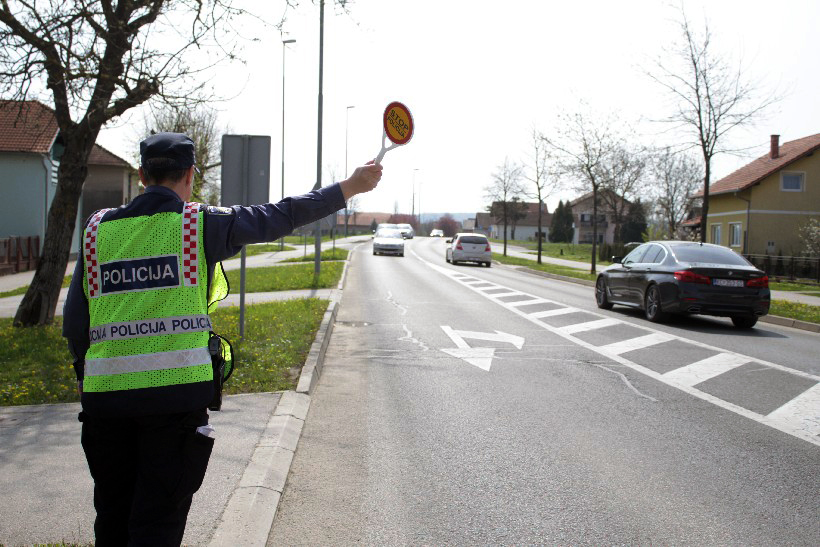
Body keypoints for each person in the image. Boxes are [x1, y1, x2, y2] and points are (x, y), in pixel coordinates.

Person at [62, 132, 382, 546]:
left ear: (141, 175)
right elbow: (277, 215)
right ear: (190, 175)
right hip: (174, 404)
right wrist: (349, 188)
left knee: (112, 520)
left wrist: (87, 375)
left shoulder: (96, 231)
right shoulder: (197, 225)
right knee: (155, 526)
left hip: (105, 404)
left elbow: (74, 323)